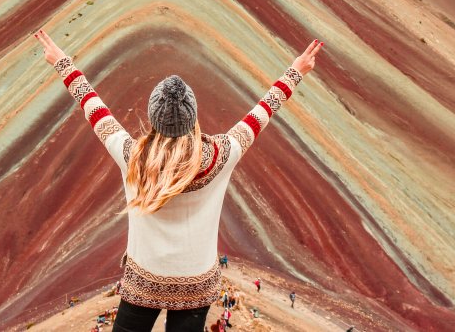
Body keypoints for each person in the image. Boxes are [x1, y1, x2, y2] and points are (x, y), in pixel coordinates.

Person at [34, 30, 323, 332]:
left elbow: (95, 109)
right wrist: (296, 72)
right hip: (196, 282)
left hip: (144, 279)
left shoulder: (132, 155)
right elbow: (262, 112)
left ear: (154, 117)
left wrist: (63, 64)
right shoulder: (222, 154)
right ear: (192, 117)